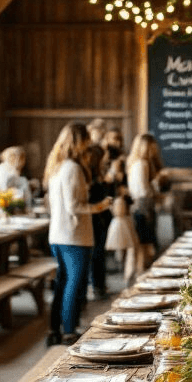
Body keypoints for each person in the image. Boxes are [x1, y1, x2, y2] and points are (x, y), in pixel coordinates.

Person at [44, 122, 113, 346]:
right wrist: (100, 206)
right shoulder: (72, 168)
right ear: (80, 141)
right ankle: (69, 331)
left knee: (63, 283)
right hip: (73, 235)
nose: (89, 144)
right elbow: (75, 206)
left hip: (58, 234)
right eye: (86, 140)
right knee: (74, 283)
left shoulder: (57, 166)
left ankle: (56, 328)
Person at [126, 133, 166, 277]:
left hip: (137, 206)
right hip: (144, 206)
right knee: (147, 245)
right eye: (152, 147)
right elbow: (144, 190)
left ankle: (137, 276)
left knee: (141, 244)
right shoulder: (142, 164)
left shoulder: (133, 162)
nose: (154, 151)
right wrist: (156, 184)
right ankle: (144, 277)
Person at [84, 119, 111, 300]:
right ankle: (96, 287)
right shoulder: (89, 176)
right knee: (96, 254)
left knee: (100, 253)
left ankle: (99, 285)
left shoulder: (98, 175)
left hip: (101, 214)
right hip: (95, 215)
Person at [0, 146, 32, 211]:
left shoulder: (5, 169)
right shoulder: (5, 171)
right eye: (22, 159)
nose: (23, 163)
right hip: (2, 208)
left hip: (5, 207)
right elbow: (3, 192)